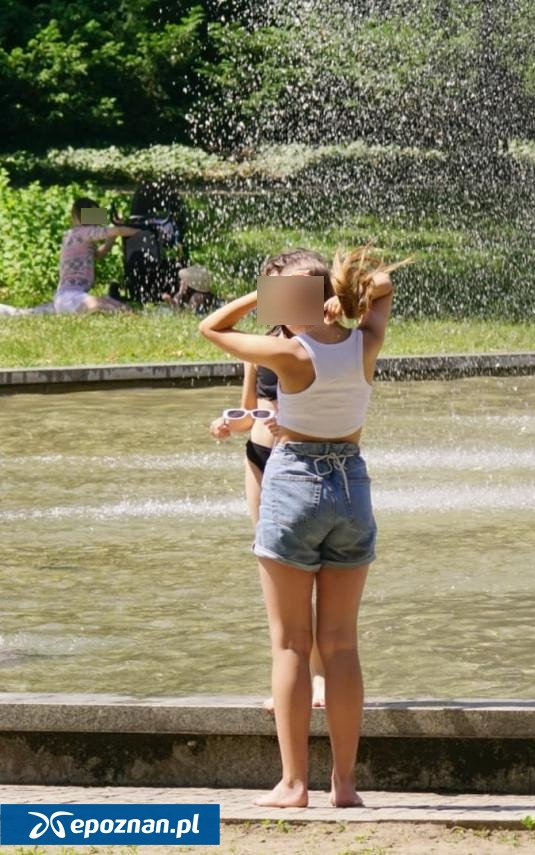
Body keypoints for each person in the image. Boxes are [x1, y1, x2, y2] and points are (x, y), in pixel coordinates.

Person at [198, 246, 409, 809]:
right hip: (352, 487)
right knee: (341, 644)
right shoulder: (367, 342)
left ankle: (294, 785)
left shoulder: (290, 352)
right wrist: (342, 296)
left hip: (294, 482)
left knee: (291, 643)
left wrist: (263, 297)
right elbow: (383, 286)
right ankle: (344, 784)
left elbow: (211, 326)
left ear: (292, 302)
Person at [209, 322, 326, 711]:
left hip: (305, 458)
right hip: (260, 459)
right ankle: (288, 682)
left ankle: (321, 677)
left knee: (315, 574)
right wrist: (229, 423)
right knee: (276, 572)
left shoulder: (326, 340)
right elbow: (250, 411)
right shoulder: (261, 341)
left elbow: (337, 408)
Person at [55, 198, 140, 314]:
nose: (94, 221)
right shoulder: (81, 233)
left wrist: (114, 234)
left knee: (116, 304)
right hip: (69, 297)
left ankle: (131, 314)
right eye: (91, 216)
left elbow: (100, 254)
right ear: (78, 217)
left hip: (77, 295)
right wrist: (141, 231)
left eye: (96, 216)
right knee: (99, 304)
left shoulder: (76, 235)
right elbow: (118, 230)